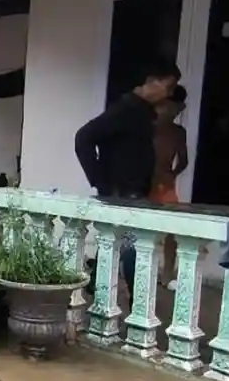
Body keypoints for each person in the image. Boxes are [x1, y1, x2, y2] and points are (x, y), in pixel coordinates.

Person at [75, 59, 181, 297]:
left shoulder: (142, 112)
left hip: (135, 194)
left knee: (119, 248)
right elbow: (84, 137)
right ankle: (132, 304)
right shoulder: (126, 109)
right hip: (122, 195)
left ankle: (116, 299)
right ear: (152, 81)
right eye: (169, 86)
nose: (169, 93)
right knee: (135, 251)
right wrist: (101, 183)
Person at [152, 85, 189, 288]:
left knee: (172, 230)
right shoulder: (147, 126)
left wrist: (172, 173)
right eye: (167, 106)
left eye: (176, 108)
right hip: (144, 182)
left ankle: (167, 274)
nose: (171, 111)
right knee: (133, 227)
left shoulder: (178, 132)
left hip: (165, 185)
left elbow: (184, 160)